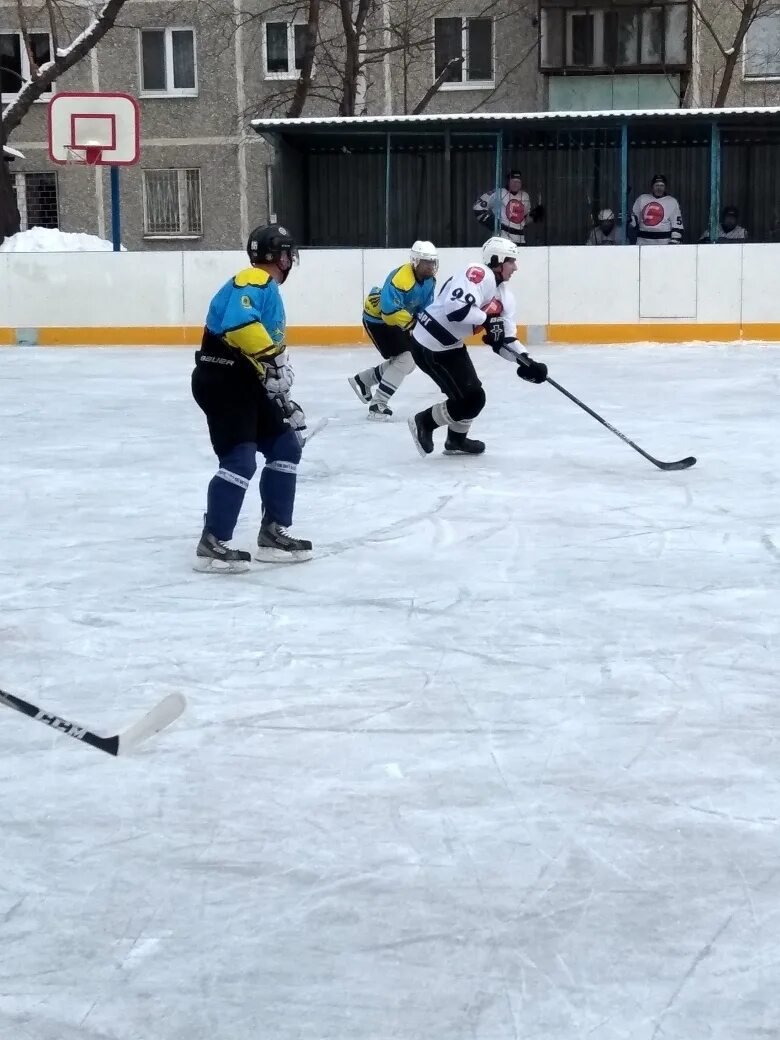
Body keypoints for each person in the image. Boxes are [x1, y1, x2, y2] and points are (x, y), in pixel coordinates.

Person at [191, 223, 312, 572]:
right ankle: (212, 542)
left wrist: (282, 394)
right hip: (223, 380)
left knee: (285, 447)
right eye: (289, 254)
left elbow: (255, 346)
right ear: (280, 257)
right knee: (240, 461)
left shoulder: (264, 286)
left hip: (242, 380)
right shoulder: (254, 279)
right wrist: (274, 360)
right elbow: (239, 324)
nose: (291, 261)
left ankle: (273, 532)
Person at [407, 237, 549, 458]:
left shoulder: (505, 298)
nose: (515, 267)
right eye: (511, 261)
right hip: (429, 344)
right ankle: (424, 421)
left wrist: (526, 361)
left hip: (449, 345)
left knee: (473, 395)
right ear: (498, 260)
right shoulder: (477, 273)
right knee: (471, 399)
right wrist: (487, 319)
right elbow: (455, 308)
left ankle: (456, 440)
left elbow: (504, 340)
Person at [348, 241, 438, 419]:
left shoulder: (429, 281)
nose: (431, 266)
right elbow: (389, 312)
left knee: (407, 362)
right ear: (415, 262)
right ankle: (377, 405)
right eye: (426, 262)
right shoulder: (400, 279)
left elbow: (425, 307)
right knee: (406, 360)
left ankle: (364, 380)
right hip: (378, 320)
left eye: (433, 262)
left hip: (397, 320)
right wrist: (413, 325)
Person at [473, 170, 544, 246]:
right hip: (502, 239)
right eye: (513, 181)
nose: (516, 184)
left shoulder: (525, 195)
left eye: (518, 182)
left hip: (520, 240)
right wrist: (491, 222)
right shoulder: (498, 193)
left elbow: (523, 220)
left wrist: (534, 216)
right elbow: (477, 207)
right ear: (508, 182)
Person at [629, 174, 683, 245]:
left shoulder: (672, 202)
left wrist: (674, 242)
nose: (659, 188)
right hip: (643, 242)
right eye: (657, 185)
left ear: (665, 187)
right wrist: (628, 219)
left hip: (664, 243)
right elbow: (634, 223)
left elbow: (677, 225)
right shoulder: (642, 199)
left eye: (662, 186)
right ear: (652, 187)